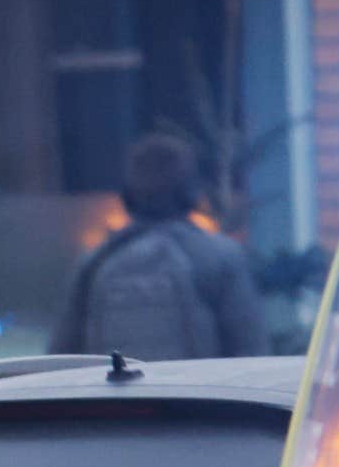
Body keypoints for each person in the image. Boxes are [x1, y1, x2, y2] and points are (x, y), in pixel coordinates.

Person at [47, 131, 270, 362]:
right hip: (194, 396)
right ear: (189, 192)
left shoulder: (95, 263)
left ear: (128, 196)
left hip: (115, 399)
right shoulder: (220, 256)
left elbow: (60, 358)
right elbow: (251, 352)